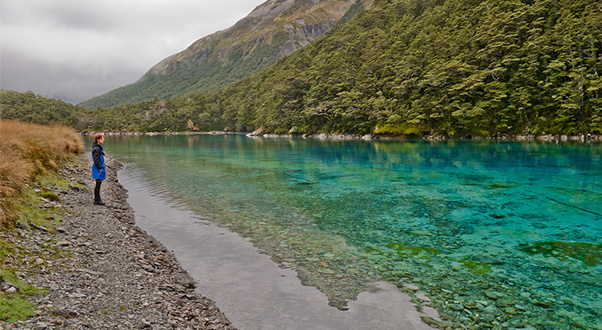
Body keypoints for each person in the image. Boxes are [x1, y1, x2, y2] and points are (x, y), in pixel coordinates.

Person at [91, 133, 106, 205]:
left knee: (98, 183)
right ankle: (97, 200)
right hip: (98, 167)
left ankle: (97, 199)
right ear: (98, 140)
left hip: (98, 167)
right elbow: (96, 159)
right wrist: (100, 167)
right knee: (98, 184)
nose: (103, 140)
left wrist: (102, 153)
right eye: (102, 138)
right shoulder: (97, 149)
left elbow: (97, 155)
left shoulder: (97, 148)